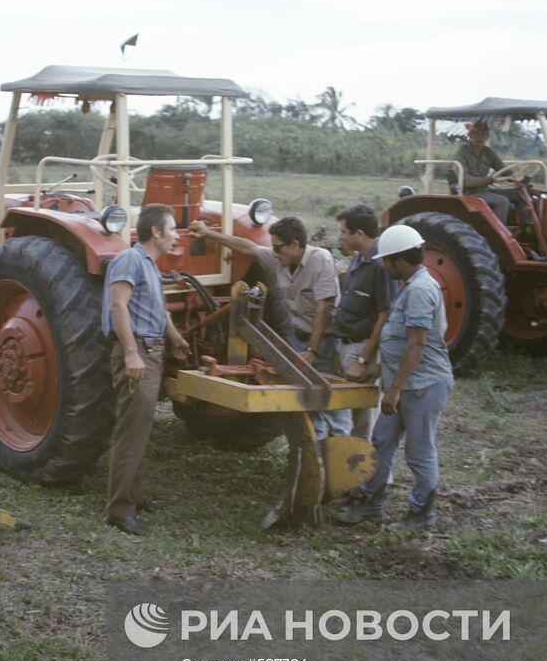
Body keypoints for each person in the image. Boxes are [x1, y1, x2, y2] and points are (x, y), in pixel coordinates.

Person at [189, 215, 350, 439]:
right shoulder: (280, 258)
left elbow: (324, 309)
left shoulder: (320, 260)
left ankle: (344, 450)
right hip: (297, 338)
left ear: (295, 245)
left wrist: (313, 350)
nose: (273, 252)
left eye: (277, 247)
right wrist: (208, 234)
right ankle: (316, 450)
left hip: (322, 341)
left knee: (329, 398)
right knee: (304, 398)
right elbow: (250, 248)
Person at [337, 224, 453, 528]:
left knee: (419, 451)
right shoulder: (409, 287)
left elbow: (417, 343)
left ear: (399, 261)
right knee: (382, 440)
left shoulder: (419, 290)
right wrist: (376, 371)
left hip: (421, 387)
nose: (384, 267)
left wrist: (394, 390)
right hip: (402, 383)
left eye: (386, 261)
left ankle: (420, 514)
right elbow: (401, 343)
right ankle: (372, 501)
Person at [102, 203, 189, 536]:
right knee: (130, 432)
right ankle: (119, 510)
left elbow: (159, 310)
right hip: (140, 352)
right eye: (172, 229)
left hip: (152, 350)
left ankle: (132, 498)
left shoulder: (150, 265)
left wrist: (176, 337)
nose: (176, 236)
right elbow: (117, 305)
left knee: (138, 430)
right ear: (156, 231)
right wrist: (131, 353)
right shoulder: (129, 260)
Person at [335, 204, 389, 443]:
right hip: (349, 345)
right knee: (349, 414)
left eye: (343, 232)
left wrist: (362, 361)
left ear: (359, 234)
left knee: (365, 417)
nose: (341, 237)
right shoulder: (358, 259)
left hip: (365, 347)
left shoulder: (380, 265)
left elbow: (384, 316)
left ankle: (368, 475)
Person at [454, 120, 520, 224]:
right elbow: (465, 180)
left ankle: (527, 230)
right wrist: (488, 180)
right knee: (502, 201)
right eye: (476, 133)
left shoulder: (488, 153)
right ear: (470, 134)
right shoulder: (463, 151)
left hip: (484, 191)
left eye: (483, 134)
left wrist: (519, 179)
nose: (479, 137)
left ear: (487, 136)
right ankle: (499, 236)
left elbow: (504, 170)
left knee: (519, 194)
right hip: (468, 192)